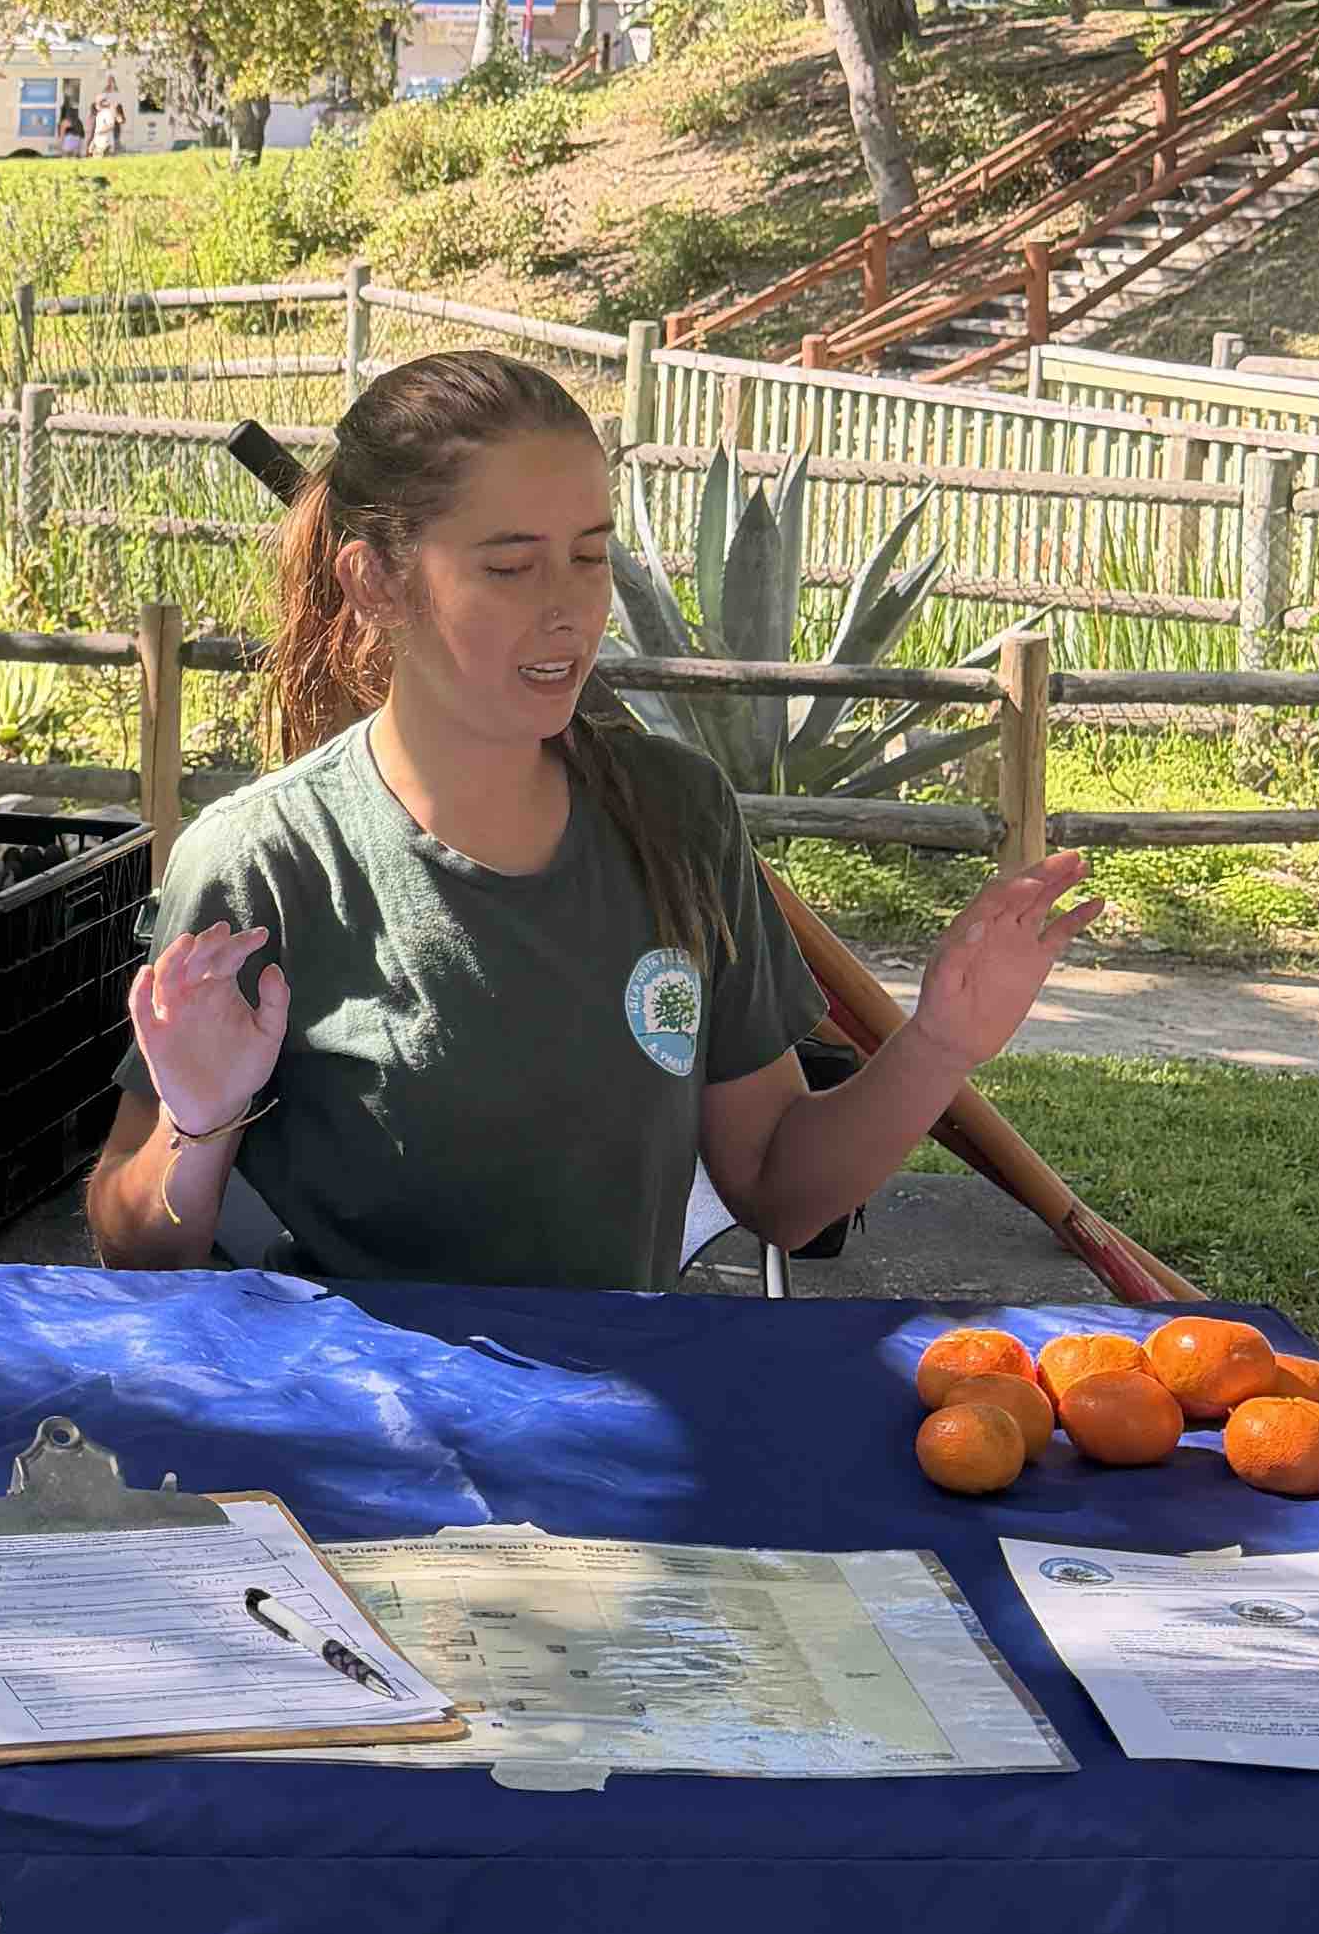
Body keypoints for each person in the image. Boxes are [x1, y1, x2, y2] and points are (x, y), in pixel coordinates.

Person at [90, 352, 1095, 1291]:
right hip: (363, 1438)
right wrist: (201, 1121)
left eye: (589, 556)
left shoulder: (677, 812)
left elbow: (784, 1195)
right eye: (511, 566)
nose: (569, 610)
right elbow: (135, 1249)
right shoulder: (265, 862)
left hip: (619, 1431)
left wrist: (939, 1044)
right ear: (376, 581)